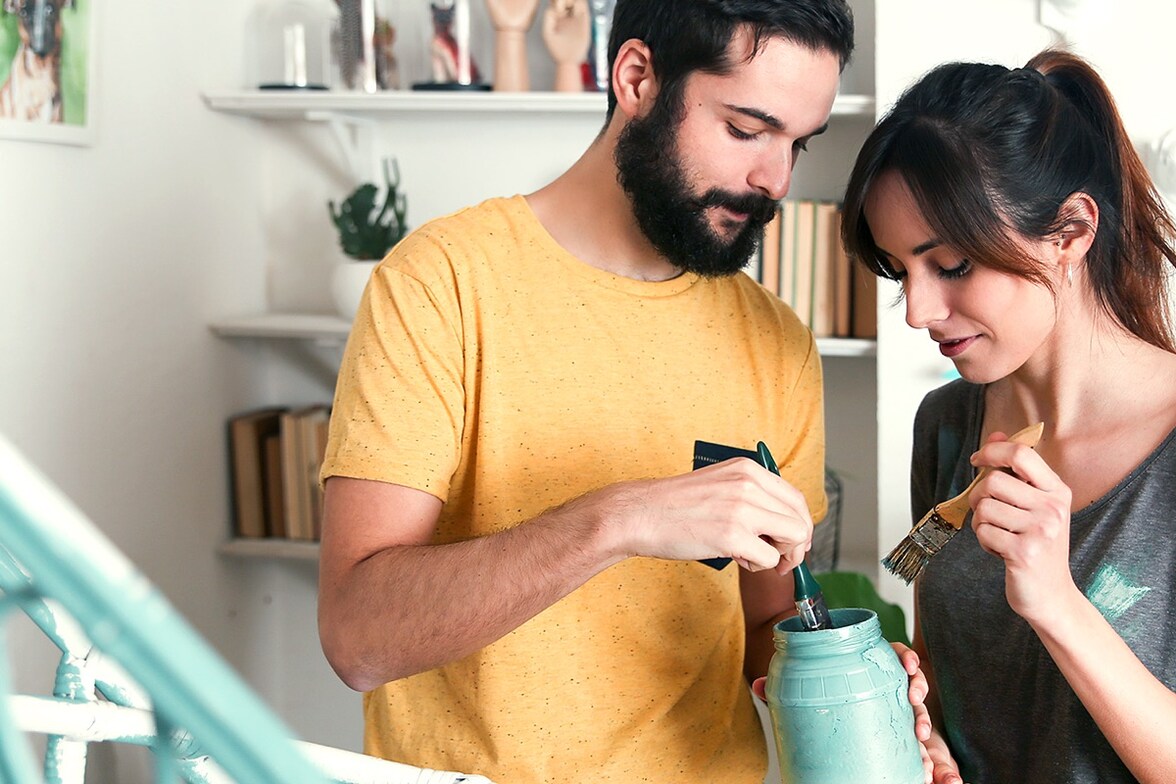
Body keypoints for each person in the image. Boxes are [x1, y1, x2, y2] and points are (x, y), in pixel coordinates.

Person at [317, 2, 928, 782]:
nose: (774, 180)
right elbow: (359, 639)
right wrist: (620, 520)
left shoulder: (774, 338)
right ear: (636, 78)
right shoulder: (441, 285)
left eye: (797, 143)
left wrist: (854, 681)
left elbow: (766, 627)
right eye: (746, 130)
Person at [841, 47, 1176, 784]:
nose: (917, 311)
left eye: (952, 265)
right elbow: (944, 675)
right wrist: (922, 735)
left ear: (1071, 232)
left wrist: (1056, 602)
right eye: (902, 272)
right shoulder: (946, 427)